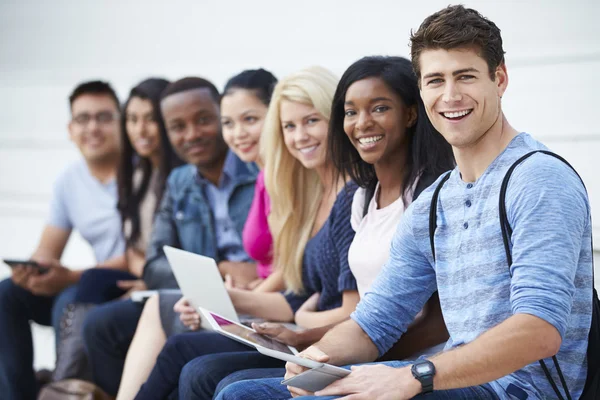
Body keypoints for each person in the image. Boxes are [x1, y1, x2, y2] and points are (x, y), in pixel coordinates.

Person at [217, 5, 593, 400]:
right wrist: (314, 357)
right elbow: (373, 322)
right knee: (244, 394)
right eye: (435, 80)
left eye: (465, 76)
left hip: (518, 390)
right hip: (448, 378)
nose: (450, 96)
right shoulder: (436, 201)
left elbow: (539, 330)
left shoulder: (538, 179)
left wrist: (414, 375)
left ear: (499, 79)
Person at [180, 56, 456, 399]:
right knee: (204, 372)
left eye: (380, 108)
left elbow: (432, 322)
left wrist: (331, 350)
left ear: (411, 114)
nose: (362, 123)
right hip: (365, 350)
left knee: (231, 390)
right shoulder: (362, 199)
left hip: (414, 366)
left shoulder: (432, 198)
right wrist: (303, 340)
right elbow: (364, 315)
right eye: (351, 112)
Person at [130, 66, 360, 400]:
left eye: (312, 121)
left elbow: (332, 305)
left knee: (203, 372)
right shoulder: (312, 192)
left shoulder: (348, 195)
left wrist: (298, 318)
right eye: (290, 126)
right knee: (183, 354)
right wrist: (220, 299)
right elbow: (299, 290)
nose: (299, 137)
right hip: (302, 328)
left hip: (326, 339)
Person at [81, 77, 258, 397]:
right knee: (100, 323)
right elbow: (153, 266)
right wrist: (216, 270)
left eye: (203, 120)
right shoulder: (180, 182)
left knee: (177, 347)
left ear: (221, 116)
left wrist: (244, 276)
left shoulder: (256, 170)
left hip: (257, 296)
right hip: (204, 295)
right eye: (177, 126)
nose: (191, 134)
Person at [50, 78, 184, 383]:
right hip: (145, 273)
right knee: (87, 286)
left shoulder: (179, 177)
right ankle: (67, 381)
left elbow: (171, 251)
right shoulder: (137, 174)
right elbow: (135, 248)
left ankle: (66, 380)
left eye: (151, 119)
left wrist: (147, 277)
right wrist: (143, 273)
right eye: (133, 120)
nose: (141, 129)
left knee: (92, 294)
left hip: (166, 279)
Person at [0, 80, 126, 400]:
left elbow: (141, 255)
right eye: (83, 119)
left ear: (121, 123)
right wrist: (32, 272)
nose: (93, 127)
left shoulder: (140, 173)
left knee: (69, 296)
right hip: (88, 282)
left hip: (125, 283)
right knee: (6, 293)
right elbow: (47, 249)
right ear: (70, 129)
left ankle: (64, 391)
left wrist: (68, 277)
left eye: (104, 117)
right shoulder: (70, 180)